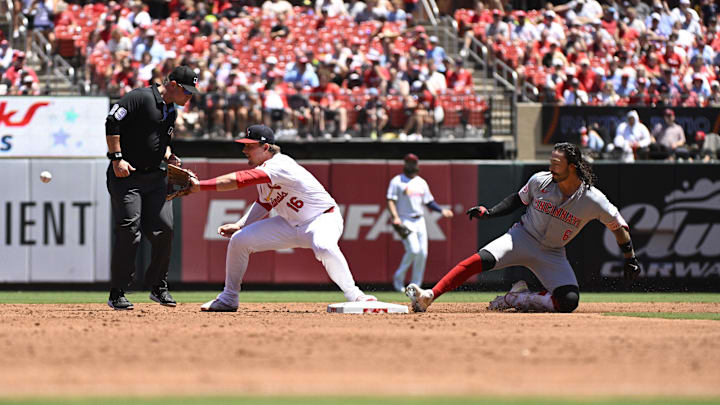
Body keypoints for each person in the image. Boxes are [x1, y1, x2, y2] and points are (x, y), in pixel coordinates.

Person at [405, 143, 641, 313]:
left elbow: (618, 226)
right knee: (480, 260)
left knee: (568, 302)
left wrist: (629, 258)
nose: (551, 166)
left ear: (572, 166)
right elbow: (518, 200)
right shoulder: (541, 180)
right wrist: (490, 212)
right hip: (521, 237)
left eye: (557, 163)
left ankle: (516, 298)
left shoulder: (593, 199)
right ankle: (429, 295)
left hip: (553, 253)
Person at [189, 125, 377, 312]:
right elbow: (264, 203)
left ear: (265, 147)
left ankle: (356, 296)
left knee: (324, 246)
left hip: (322, 219)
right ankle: (229, 298)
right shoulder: (264, 168)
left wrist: (201, 186)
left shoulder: (280, 165)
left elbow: (240, 179)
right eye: (244, 146)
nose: (244, 150)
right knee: (239, 240)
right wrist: (240, 225)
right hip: (289, 224)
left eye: (250, 146)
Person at [105, 65, 200, 310]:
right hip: (127, 176)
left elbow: (162, 141)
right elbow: (112, 121)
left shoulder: (170, 110)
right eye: (187, 91)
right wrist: (116, 158)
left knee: (164, 229)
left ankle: (158, 286)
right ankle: (118, 291)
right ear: (174, 85)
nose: (189, 97)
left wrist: (169, 156)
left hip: (155, 178)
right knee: (129, 230)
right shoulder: (140, 97)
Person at [387, 153, 453, 292]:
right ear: (405, 164)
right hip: (405, 218)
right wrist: (395, 217)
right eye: (408, 162)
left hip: (420, 220)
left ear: (417, 165)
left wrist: (441, 211)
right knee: (414, 249)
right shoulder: (397, 181)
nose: (411, 165)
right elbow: (390, 200)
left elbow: (429, 201)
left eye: (413, 163)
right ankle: (398, 278)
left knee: (422, 253)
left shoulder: (421, 182)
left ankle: (415, 286)